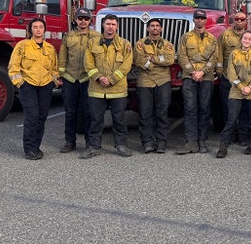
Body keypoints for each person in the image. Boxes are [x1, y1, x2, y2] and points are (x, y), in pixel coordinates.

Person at [81, 14, 134, 159]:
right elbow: (88, 64)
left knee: (119, 119)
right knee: (95, 119)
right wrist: (99, 77)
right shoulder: (92, 43)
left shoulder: (125, 44)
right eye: (108, 24)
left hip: (118, 90)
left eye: (113, 24)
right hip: (96, 90)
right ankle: (93, 147)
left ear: (117, 27)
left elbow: (126, 65)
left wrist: (111, 79)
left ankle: (121, 145)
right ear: (103, 25)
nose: (110, 27)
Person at [8, 18, 61, 160]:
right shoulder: (22, 46)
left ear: (44, 30)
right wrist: (21, 83)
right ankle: (29, 148)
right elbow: (13, 68)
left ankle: (36, 147)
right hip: (28, 85)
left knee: (42, 117)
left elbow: (54, 69)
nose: (38, 29)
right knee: (32, 116)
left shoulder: (49, 49)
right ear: (30, 30)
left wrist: (53, 82)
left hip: (45, 86)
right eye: (35, 27)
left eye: (41, 27)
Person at [57, 8, 100, 153]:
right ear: (75, 20)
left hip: (88, 79)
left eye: (85, 18)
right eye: (80, 18)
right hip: (70, 79)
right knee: (70, 112)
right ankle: (70, 141)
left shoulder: (96, 37)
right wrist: (61, 75)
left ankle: (89, 142)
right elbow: (63, 57)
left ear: (90, 21)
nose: (83, 21)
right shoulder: (68, 36)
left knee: (88, 112)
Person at [176, 9, 218, 155]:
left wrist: (202, 72)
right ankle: (191, 141)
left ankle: (202, 141)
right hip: (189, 77)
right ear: (193, 20)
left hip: (206, 78)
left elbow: (213, 58)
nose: (200, 20)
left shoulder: (212, 39)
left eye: (202, 18)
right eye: (197, 18)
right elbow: (181, 56)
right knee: (190, 108)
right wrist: (193, 72)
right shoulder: (185, 37)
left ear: (206, 20)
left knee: (205, 109)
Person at [216, 31, 251, 158]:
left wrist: (249, 87)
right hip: (236, 91)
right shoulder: (234, 54)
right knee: (231, 119)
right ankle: (223, 146)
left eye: (250, 39)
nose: (247, 40)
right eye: (245, 38)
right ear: (241, 40)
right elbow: (231, 74)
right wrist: (241, 87)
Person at [133, 18, 175, 153]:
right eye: (152, 26)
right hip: (145, 81)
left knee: (162, 113)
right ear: (147, 28)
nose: (155, 28)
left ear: (161, 29)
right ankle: (147, 142)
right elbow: (139, 60)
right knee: (145, 113)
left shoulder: (168, 45)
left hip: (163, 81)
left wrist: (152, 58)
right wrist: (153, 64)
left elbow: (169, 60)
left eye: (157, 26)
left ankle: (161, 142)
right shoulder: (140, 44)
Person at [216, 11, 250, 146]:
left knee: (244, 109)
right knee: (228, 108)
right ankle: (230, 135)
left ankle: (243, 136)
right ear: (233, 20)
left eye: (242, 19)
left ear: (245, 21)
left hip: (244, 79)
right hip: (228, 78)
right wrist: (219, 70)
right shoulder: (225, 35)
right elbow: (219, 53)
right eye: (237, 19)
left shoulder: (249, 36)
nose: (239, 21)